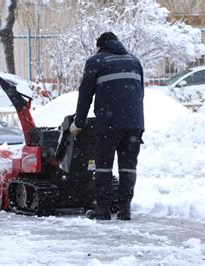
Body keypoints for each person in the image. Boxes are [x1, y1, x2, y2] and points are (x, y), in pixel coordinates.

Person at [70, 32, 144, 220]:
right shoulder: (134, 60)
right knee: (128, 166)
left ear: (100, 46)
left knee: (103, 165)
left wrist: (78, 123)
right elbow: (140, 93)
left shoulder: (96, 61)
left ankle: (102, 209)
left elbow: (85, 95)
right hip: (134, 123)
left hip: (109, 123)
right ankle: (125, 208)